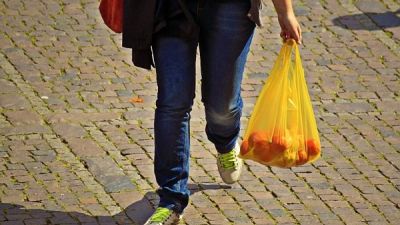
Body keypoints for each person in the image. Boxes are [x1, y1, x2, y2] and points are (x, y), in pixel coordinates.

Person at [123, 0, 302, 224]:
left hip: (230, 7)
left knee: (222, 107)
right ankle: (171, 199)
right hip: (171, 7)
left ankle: (226, 141)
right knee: (172, 103)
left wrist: (285, 12)